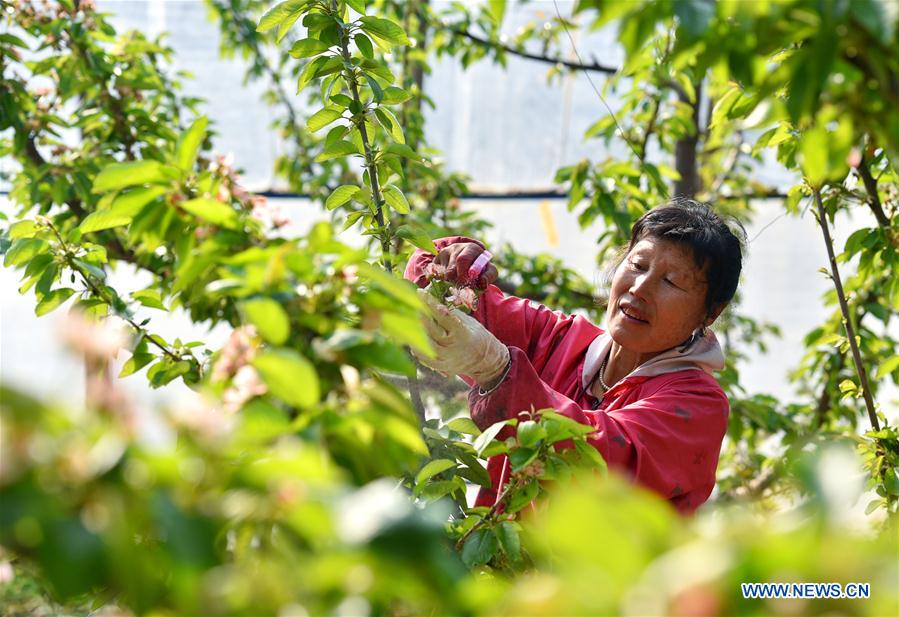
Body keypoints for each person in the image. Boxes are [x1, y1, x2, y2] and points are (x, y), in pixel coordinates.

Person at [404, 200, 746, 515]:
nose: (640, 288)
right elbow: (431, 290)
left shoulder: (697, 404)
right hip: (491, 560)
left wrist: (497, 370)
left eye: (670, 282)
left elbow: (596, 457)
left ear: (710, 312)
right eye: (637, 265)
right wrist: (456, 263)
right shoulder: (557, 338)